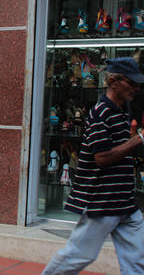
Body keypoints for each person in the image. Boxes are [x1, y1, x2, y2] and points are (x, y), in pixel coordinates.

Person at [42, 57, 144, 274]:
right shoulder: (100, 113)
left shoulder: (122, 111)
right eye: (131, 82)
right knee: (78, 255)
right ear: (113, 81)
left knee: (137, 262)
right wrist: (138, 140)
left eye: (137, 83)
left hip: (124, 202)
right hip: (102, 201)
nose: (136, 88)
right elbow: (102, 158)